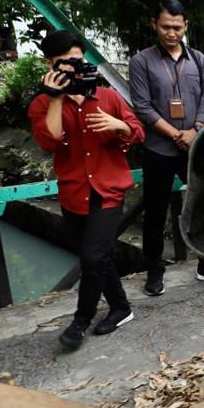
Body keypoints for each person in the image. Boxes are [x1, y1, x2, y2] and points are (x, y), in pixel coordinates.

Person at [29, 30, 145, 350]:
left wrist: (118, 126)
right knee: (99, 257)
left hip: (108, 190)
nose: (73, 67)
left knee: (93, 256)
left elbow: (137, 131)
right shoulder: (42, 103)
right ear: (50, 64)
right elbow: (49, 141)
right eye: (64, 62)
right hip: (73, 193)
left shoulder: (106, 96)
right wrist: (54, 97)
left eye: (78, 60)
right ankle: (121, 309)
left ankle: (81, 320)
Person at [130, 0, 204, 295]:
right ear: (154, 25)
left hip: (194, 146)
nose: (171, 33)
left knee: (201, 205)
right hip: (159, 149)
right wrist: (176, 132)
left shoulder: (198, 59)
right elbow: (143, 107)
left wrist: (195, 130)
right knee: (156, 210)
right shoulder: (142, 62)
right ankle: (154, 270)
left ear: (186, 26)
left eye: (177, 27)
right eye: (165, 27)